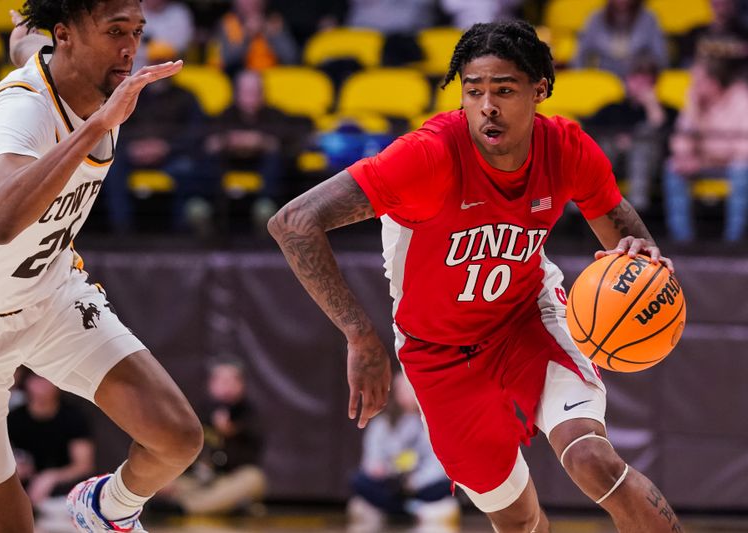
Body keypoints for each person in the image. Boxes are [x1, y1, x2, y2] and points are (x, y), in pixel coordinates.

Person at [269, 20, 684, 533]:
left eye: (504, 90)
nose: (487, 105)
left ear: (540, 91)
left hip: (527, 318)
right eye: (473, 90)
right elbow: (293, 222)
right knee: (517, 521)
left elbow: (619, 223)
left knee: (591, 460)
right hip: (437, 353)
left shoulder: (567, 148)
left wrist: (641, 256)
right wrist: (359, 334)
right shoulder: (427, 156)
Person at [0, 3, 204, 532]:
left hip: (49, 298)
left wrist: (23, 28)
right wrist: (96, 128)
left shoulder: (73, 69)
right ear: (66, 36)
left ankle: (106, 509)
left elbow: (26, 45)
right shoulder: (22, 111)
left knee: (177, 438)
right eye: (115, 32)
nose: (130, 47)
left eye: (136, 31)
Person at [105, 40, 205, 233]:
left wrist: (166, 147)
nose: (159, 69)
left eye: (164, 62)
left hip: (172, 154)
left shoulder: (186, 97)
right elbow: (116, 126)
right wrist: (133, 148)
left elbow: (195, 133)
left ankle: (180, 230)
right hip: (134, 153)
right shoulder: (133, 94)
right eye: (155, 62)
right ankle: (121, 229)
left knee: (187, 168)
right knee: (111, 167)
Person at [201, 69, 312, 231]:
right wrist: (228, 141)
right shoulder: (225, 115)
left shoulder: (275, 115)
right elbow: (207, 143)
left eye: (255, 92)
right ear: (236, 93)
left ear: (263, 93)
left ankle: (266, 209)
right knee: (209, 160)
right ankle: (206, 209)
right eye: (246, 92)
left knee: (277, 160)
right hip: (229, 165)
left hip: (264, 169)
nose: (251, 97)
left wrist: (263, 142)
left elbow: (291, 145)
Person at [347, 373, 458, 531]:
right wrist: (381, 470)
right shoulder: (382, 423)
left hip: (420, 485)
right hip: (390, 483)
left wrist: (415, 481)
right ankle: (403, 508)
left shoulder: (435, 422)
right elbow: (371, 459)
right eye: (403, 389)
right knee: (358, 480)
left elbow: (438, 465)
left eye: (410, 389)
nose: (407, 394)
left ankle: (406, 507)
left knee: (446, 485)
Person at [162, 357, 266, 515]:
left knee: (254, 479)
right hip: (196, 481)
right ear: (211, 383)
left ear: (241, 384)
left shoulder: (250, 415)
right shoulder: (197, 412)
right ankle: (221, 507)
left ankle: (187, 508)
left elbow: (249, 459)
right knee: (159, 480)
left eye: (232, 380)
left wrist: (229, 435)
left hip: (227, 481)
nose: (227, 386)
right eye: (221, 380)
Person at [662, 57, 748, 242]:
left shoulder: (741, 99)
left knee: (741, 169)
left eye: (698, 80)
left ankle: (733, 241)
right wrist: (693, 112)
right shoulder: (694, 101)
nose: (694, 85)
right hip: (703, 163)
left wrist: (704, 159)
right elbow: (678, 144)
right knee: (673, 167)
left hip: (732, 164)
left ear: (713, 82)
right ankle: (682, 241)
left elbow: (743, 149)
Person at [582, 56, 677, 211]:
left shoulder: (668, 110)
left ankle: (636, 213)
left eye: (646, 82)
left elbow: (668, 134)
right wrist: (617, 140)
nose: (640, 86)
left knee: (641, 148)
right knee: (601, 150)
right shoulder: (613, 108)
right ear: (626, 81)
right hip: (613, 162)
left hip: (651, 165)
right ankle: (580, 210)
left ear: (655, 84)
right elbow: (589, 130)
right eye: (635, 79)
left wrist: (652, 106)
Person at [9, 372, 95, 513]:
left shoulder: (73, 417)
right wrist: (14, 467)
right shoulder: (14, 418)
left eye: (46, 380)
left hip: (63, 485)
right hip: (24, 485)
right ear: (27, 383)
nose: (42, 386)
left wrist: (51, 477)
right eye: (36, 380)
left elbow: (83, 465)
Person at [573, 0, 667, 79]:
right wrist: (580, 79)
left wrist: (646, 66)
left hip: (638, 81)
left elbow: (661, 57)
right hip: (604, 79)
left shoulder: (649, 19)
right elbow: (580, 54)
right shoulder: (596, 18)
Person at [214, 0, 298, 76]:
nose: (252, 2)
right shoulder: (228, 24)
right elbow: (226, 62)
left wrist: (271, 34)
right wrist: (247, 36)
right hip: (241, 82)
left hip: (274, 80)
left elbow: (292, 58)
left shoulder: (274, 22)